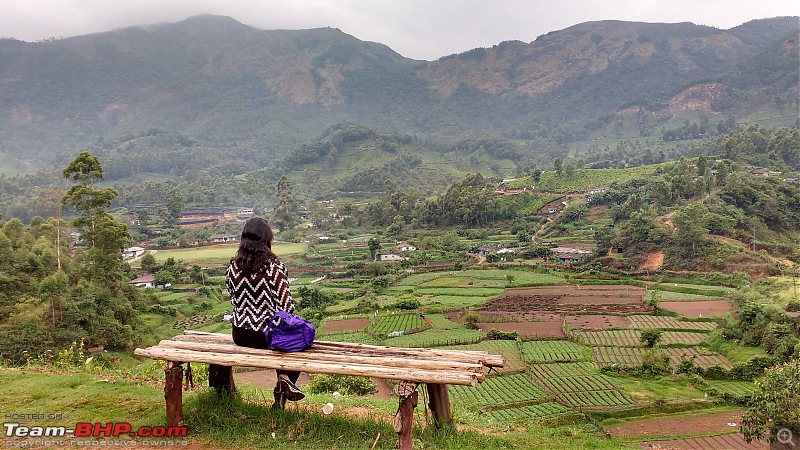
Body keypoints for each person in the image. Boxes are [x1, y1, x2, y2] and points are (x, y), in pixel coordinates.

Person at [225, 217, 303, 408]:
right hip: (265, 336)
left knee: (283, 338)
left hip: (240, 334)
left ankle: (283, 383)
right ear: (266, 239)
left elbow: (234, 299)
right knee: (300, 337)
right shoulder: (273, 268)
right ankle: (284, 380)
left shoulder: (233, 267)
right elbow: (286, 307)